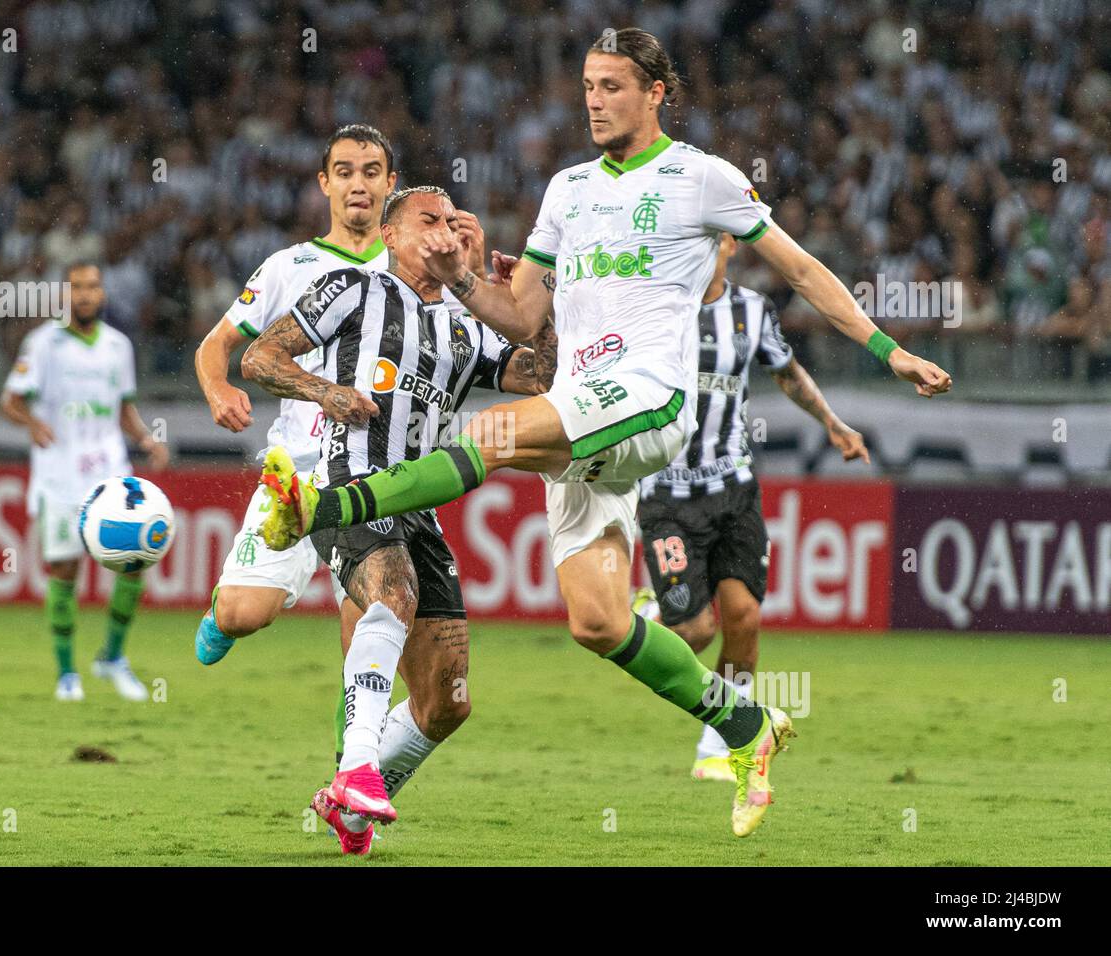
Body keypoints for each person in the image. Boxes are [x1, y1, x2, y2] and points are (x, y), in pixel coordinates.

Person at [259, 28, 951, 837]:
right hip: (584, 409)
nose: (594, 98)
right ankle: (745, 727)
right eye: (588, 84)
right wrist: (458, 281)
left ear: (658, 92)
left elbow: (800, 268)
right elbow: (519, 316)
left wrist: (887, 347)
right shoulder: (568, 190)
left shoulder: (702, 178)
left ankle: (317, 509)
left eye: (613, 85)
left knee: (493, 433)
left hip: (648, 397)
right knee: (597, 619)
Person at [242, 185, 543, 852]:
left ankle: (350, 805)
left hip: (417, 506)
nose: (444, 232)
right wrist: (328, 391)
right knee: (393, 591)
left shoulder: (470, 327)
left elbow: (545, 378)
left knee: (447, 703)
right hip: (347, 484)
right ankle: (354, 771)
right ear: (391, 235)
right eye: (427, 221)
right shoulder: (354, 288)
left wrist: (524, 306)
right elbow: (259, 357)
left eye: (452, 222)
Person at [632, 232, 869, 781]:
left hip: (734, 490)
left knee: (743, 619)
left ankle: (717, 744)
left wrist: (832, 424)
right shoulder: (657, 308)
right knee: (693, 631)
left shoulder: (752, 310)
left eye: (709, 241)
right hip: (667, 492)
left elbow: (785, 372)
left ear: (729, 246)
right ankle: (653, 610)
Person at [1, 261, 168, 701]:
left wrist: (147, 439)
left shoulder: (118, 346)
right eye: (77, 288)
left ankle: (111, 657)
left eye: (93, 286)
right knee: (65, 569)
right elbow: (10, 401)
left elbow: (123, 410)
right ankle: (66, 673)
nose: (86, 295)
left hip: (110, 473)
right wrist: (33, 423)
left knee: (135, 562)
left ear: (103, 294)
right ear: (64, 295)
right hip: (59, 473)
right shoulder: (42, 344)